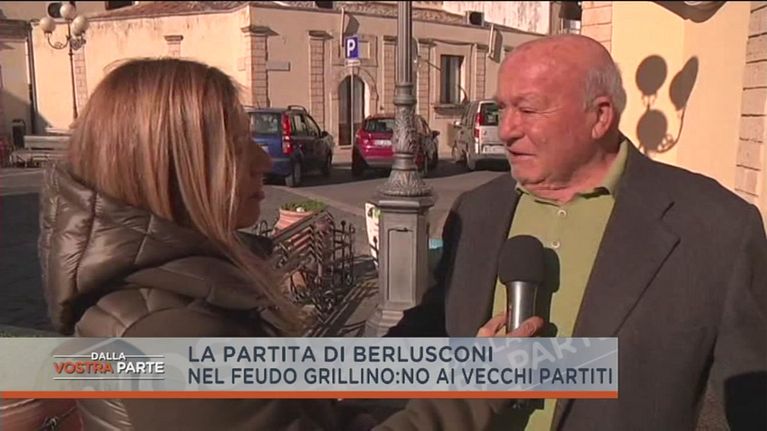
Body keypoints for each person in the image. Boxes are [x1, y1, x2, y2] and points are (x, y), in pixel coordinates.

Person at [37, 58, 540, 431]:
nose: (262, 162)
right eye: (239, 145)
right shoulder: (167, 331)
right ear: (175, 167)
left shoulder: (178, 291)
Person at [387, 34, 767, 430]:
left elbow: (751, 398)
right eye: (502, 109)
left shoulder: (715, 227)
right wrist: (349, 383)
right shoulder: (477, 211)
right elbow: (433, 329)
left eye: (528, 109)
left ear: (600, 117)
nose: (507, 130)